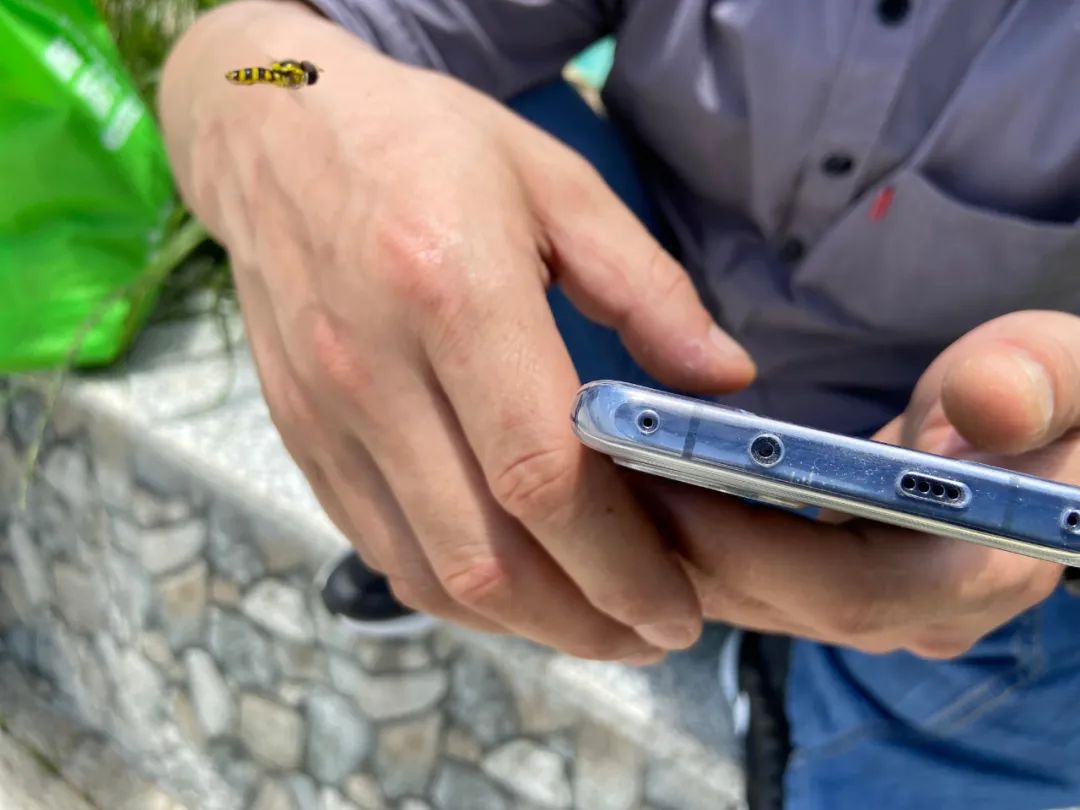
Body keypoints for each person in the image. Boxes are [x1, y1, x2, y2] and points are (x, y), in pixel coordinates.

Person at [158, 2, 1080, 808]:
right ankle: (483, 508)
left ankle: (776, 654)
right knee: (443, 85)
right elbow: (262, 53)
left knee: (974, 655)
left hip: (925, 475)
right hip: (607, 342)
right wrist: (254, 89)